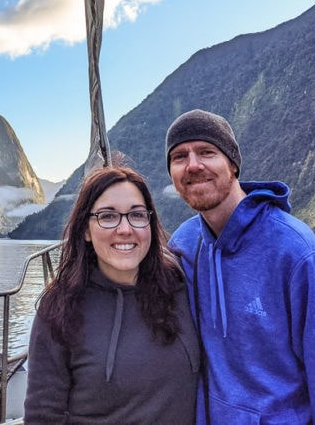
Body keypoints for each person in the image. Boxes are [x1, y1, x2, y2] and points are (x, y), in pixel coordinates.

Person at [165, 109, 315, 424]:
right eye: (179, 156)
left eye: (207, 152)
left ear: (233, 164)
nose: (193, 165)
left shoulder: (294, 249)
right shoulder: (184, 244)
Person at [24, 164, 200, 424]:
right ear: (85, 229)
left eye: (137, 215)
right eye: (108, 216)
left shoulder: (180, 286)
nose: (125, 229)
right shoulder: (60, 308)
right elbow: (43, 416)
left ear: (150, 223)